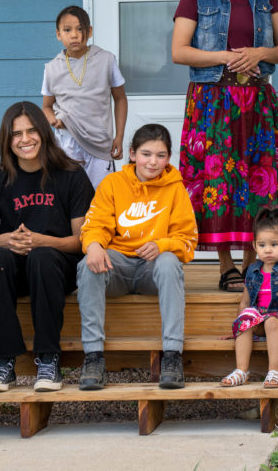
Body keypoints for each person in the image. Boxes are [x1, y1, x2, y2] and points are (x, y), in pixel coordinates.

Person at [171, 0, 278, 293]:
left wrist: (259, 53)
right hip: (212, 101)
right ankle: (226, 266)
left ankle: (255, 263)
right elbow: (179, 51)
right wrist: (223, 56)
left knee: (257, 180)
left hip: (256, 99)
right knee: (218, 180)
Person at [0, 101, 94, 393]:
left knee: (41, 257)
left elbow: (82, 241)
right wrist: (7, 239)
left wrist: (41, 240)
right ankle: (4, 360)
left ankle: (48, 358)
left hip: (56, 266)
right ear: (7, 139)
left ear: (43, 132)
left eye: (31, 131)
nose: (25, 139)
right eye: (16, 134)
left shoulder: (71, 175)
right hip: (14, 266)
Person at [76, 124, 198, 390]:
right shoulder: (112, 184)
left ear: (168, 158)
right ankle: (94, 357)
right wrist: (94, 244)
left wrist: (162, 244)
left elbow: (187, 241)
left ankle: (172, 355)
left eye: (161, 155)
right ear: (132, 154)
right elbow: (95, 223)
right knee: (87, 264)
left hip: (152, 272)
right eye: (146, 154)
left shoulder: (176, 189)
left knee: (168, 260)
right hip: (118, 267)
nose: (153, 162)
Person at [220, 206, 278, 389]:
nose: (268, 250)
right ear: (254, 246)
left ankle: (275, 371)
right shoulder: (253, 271)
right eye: (262, 245)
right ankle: (241, 370)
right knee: (246, 319)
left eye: (274, 244)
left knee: (272, 321)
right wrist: (239, 327)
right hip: (261, 319)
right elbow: (245, 303)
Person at [42, 5, 128, 188]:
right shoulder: (52, 68)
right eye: (67, 30)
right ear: (58, 34)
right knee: (70, 195)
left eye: (80, 29)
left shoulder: (106, 60)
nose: (74, 35)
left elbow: (120, 98)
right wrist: (53, 120)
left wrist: (119, 136)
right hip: (67, 143)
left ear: (89, 31)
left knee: (101, 197)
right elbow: (47, 106)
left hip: (99, 142)